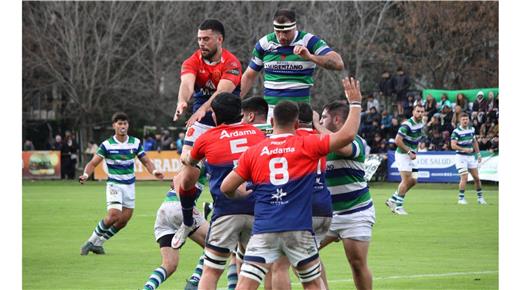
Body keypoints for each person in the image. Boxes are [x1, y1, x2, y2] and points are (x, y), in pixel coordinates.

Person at [220, 77, 362, 290]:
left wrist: (244, 195)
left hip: (264, 229)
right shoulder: (307, 144)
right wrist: (356, 103)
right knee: (312, 282)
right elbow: (348, 135)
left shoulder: (254, 152)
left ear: (271, 122)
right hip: (298, 229)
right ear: (297, 124)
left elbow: (226, 188)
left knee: (246, 284)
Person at [173, 93, 265, 290]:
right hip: (257, 211)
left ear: (214, 115)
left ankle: (187, 217)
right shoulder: (257, 135)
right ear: (240, 113)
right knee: (253, 269)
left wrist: (186, 159)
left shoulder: (208, 138)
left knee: (211, 271)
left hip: (225, 212)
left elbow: (190, 161)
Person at [79, 112, 164, 255]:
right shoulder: (107, 145)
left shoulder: (135, 142)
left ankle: (98, 244)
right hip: (114, 184)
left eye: (125, 123)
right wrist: (86, 174)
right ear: (114, 126)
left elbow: (146, 161)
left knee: (124, 220)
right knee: (113, 215)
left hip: (129, 186)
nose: (122, 126)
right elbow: (93, 163)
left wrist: (154, 172)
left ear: (128, 125)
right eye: (119, 123)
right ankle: (90, 242)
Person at [240, 8, 344, 120]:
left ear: (295, 27)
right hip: (271, 112)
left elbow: (338, 64)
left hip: (299, 112)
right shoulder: (265, 43)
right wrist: (236, 102)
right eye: (278, 32)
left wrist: (310, 57)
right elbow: (249, 76)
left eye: (286, 32)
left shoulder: (308, 41)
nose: (282, 37)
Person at [314, 100, 375, 290]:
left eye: (324, 117)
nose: (321, 121)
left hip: (356, 212)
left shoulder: (354, 140)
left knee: (357, 264)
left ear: (337, 119)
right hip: (328, 214)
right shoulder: (320, 142)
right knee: (305, 255)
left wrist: (315, 124)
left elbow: (340, 146)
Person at [173, 19, 242, 161]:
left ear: (219, 39)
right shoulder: (191, 61)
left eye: (206, 39)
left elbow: (221, 93)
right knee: (186, 160)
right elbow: (186, 84)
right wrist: (182, 101)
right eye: (199, 39)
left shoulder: (232, 63)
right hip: (201, 118)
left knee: (231, 166)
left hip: (228, 119)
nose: (201, 43)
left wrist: (203, 109)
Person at [141, 175, 209, 290]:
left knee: (169, 264)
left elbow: (176, 180)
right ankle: (194, 282)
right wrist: (185, 205)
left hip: (164, 210)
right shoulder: (201, 161)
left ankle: (147, 288)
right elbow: (177, 179)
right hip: (180, 208)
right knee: (215, 243)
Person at [385, 104, 425, 215]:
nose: (420, 113)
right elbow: (397, 140)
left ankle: (392, 200)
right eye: (418, 111)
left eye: (422, 111)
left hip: (411, 155)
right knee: (406, 180)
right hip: (403, 155)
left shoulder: (421, 123)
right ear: (413, 112)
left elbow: (416, 139)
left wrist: (415, 150)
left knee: (413, 181)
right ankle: (398, 207)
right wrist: (409, 151)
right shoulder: (406, 125)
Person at [450, 113, 486, 205]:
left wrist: (478, 154)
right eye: (463, 119)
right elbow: (453, 145)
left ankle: (480, 198)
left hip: (470, 157)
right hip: (460, 157)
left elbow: (474, 142)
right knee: (464, 177)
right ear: (460, 121)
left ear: (468, 120)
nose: (465, 121)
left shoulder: (471, 129)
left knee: (477, 178)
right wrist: (464, 149)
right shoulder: (456, 132)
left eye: (466, 119)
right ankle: (461, 198)